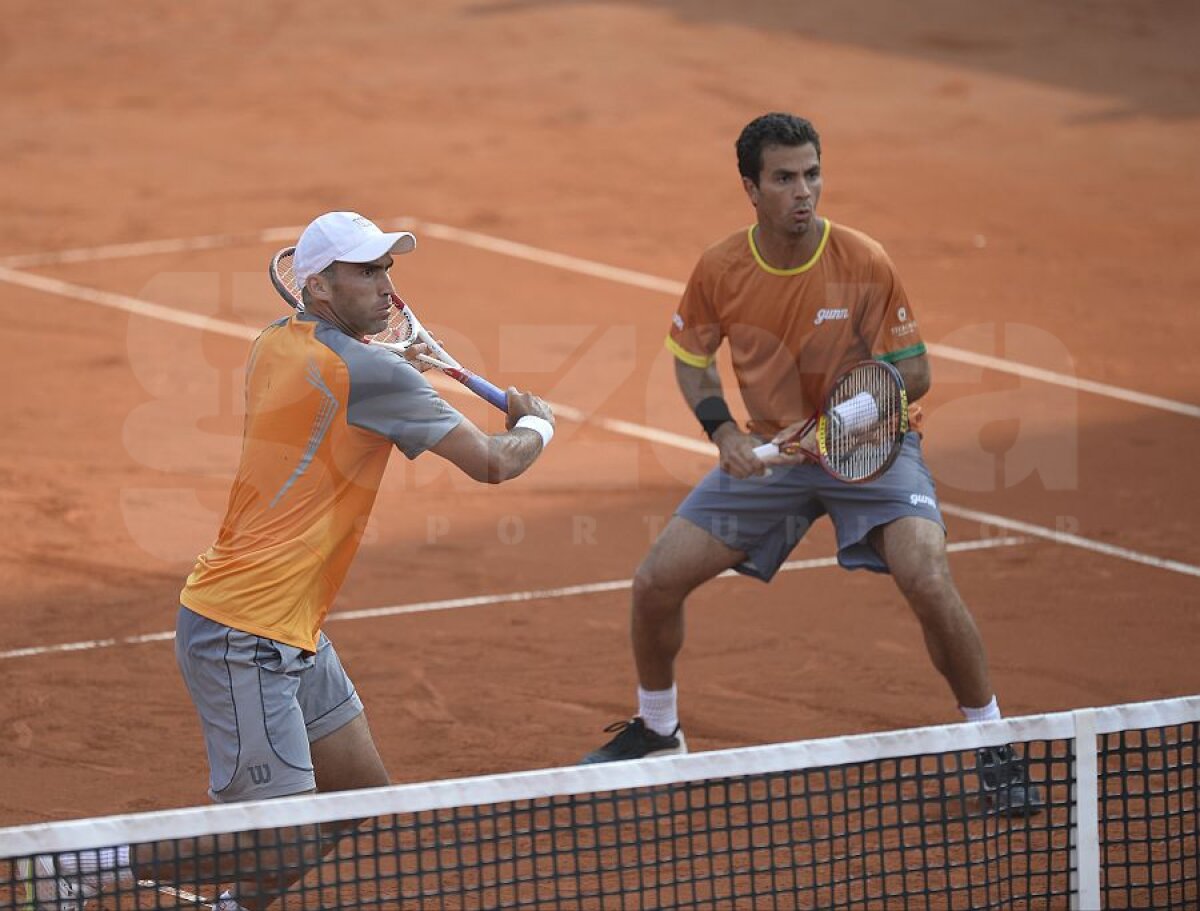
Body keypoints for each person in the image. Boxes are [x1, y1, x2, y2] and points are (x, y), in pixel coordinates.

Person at [21, 211, 557, 909]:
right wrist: (536, 423)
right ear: (321, 286)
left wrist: (392, 372)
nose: (387, 286)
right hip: (244, 631)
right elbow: (493, 461)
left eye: (387, 269)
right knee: (275, 840)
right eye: (366, 271)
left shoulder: (276, 341)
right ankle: (80, 864)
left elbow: (340, 380)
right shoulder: (370, 373)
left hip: (286, 625)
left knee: (358, 796)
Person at [580, 113, 1042, 816]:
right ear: (750, 187)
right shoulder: (721, 268)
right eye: (785, 178)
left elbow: (914, 372)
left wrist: (836, 425)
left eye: (812, 174)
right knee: (654, 583)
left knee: (927, 576)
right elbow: (692, 361)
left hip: (875, 447)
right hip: (779, 455)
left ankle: (993, 743)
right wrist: (724, 433)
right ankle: (658, 729)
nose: (804, 191)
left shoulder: (862, 259)